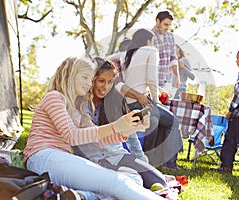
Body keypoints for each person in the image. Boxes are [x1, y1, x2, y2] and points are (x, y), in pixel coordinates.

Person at [23, 56, 165, 200]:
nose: (88, 84)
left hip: (59, 160)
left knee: (131, 178)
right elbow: (72, 136)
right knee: (117, 182)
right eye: (85, 77)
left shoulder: (78, 108)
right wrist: (115, 126)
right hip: (43, 158)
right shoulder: (54, 97)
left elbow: (100, 140)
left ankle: (82, 196)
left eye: (90, 80)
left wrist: (132, 128)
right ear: (70, 75)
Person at [73, 56, 167, 189]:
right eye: (101, 81)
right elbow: (94, 136)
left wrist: (142, 160)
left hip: (117, 154)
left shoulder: (115, 101)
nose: (105, 86)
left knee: (159, 182)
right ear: (91, 80)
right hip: (91, 158)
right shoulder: (82, 104)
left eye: (110, 82)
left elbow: (132, 138)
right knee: (127, 183)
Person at [116, 28, 183, 169]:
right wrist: (157, 101)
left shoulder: (127, 54)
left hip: (127, 103)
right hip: (140, 103)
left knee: (155, 120)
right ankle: (170, 163)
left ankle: (153, 160)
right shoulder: (151, 51)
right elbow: (151, 79)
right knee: (173, 121)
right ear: (148, 40)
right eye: (152, 40)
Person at [211, 47, 239, 178]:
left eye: (237, 57)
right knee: (229, 140)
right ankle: (226, 166)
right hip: (238, 115)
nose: (236, 60)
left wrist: (230, 110)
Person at [152, 10, 180, 96]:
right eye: (165, 24)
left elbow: (173, 57)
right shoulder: (149, 36)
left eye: (169, 25)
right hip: (153, 81)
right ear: (157, 21)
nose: (167, 27)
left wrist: (176, 77)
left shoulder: (170, 36)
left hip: (167, 81)